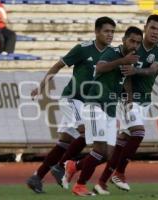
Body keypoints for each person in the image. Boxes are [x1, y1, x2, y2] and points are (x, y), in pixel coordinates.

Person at [25, 16, 116, 194]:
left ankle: (37, 176)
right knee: (87, 130)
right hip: (72, 99)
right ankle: (60, 167)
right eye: (106, 31)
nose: (110, 35)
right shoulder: (83, 49)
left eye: (112, 31)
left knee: (65, 142)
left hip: (89, 104)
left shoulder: (111, 54)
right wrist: (41, 86)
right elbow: (57, 66)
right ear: (96, 32)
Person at [93, 14, 158, 195]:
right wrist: (128, 100)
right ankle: (119, 173)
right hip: (127, 99)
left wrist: (136, 70)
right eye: (152, 28)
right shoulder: (133, 45)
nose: (155, 32)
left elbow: (152, 70)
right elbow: (124, 74)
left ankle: (98, 180)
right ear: (145, 28)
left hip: (144, 101)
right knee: (138, 132)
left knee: (122, 143)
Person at [66, 26, 143, 196]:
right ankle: (80, 185)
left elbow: (127, 80)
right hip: (95, 104)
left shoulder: (131, 59)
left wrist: (129, 99)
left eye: (138, 43)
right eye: (132, 41)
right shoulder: (112, 53)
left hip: (110, 108)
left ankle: (74, 166)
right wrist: (122, 62)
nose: (135, 45)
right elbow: (100, 68)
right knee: (100, 149)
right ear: (124, 40)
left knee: (109, 154)